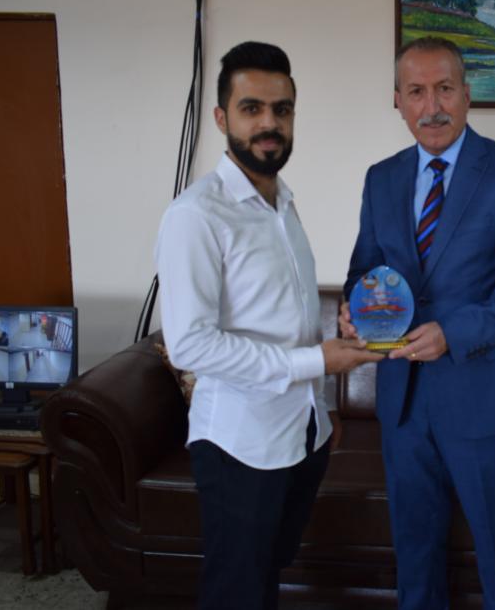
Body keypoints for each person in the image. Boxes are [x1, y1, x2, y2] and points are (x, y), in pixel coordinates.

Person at [155, 41, 382, 610]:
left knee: (269, 573)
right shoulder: (195, 215)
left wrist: (328, 382)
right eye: (251, 108)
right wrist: (317, 361)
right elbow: (190, 344)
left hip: (304, 433)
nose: (269, 124)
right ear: (221, 118)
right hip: (241, 444)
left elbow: (287, 315)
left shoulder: (283, 203)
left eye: (282, 110)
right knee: (237, 590)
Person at [340, 36, 495, 610]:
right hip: (403, 400)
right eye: (416, 91)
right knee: (414, 552)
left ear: (467, 93)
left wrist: (455, 333)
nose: (431, 106)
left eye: (444, 88)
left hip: (487, 398)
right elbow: (366, 269)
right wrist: (353, 306)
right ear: (397, 100)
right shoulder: (381, 177)